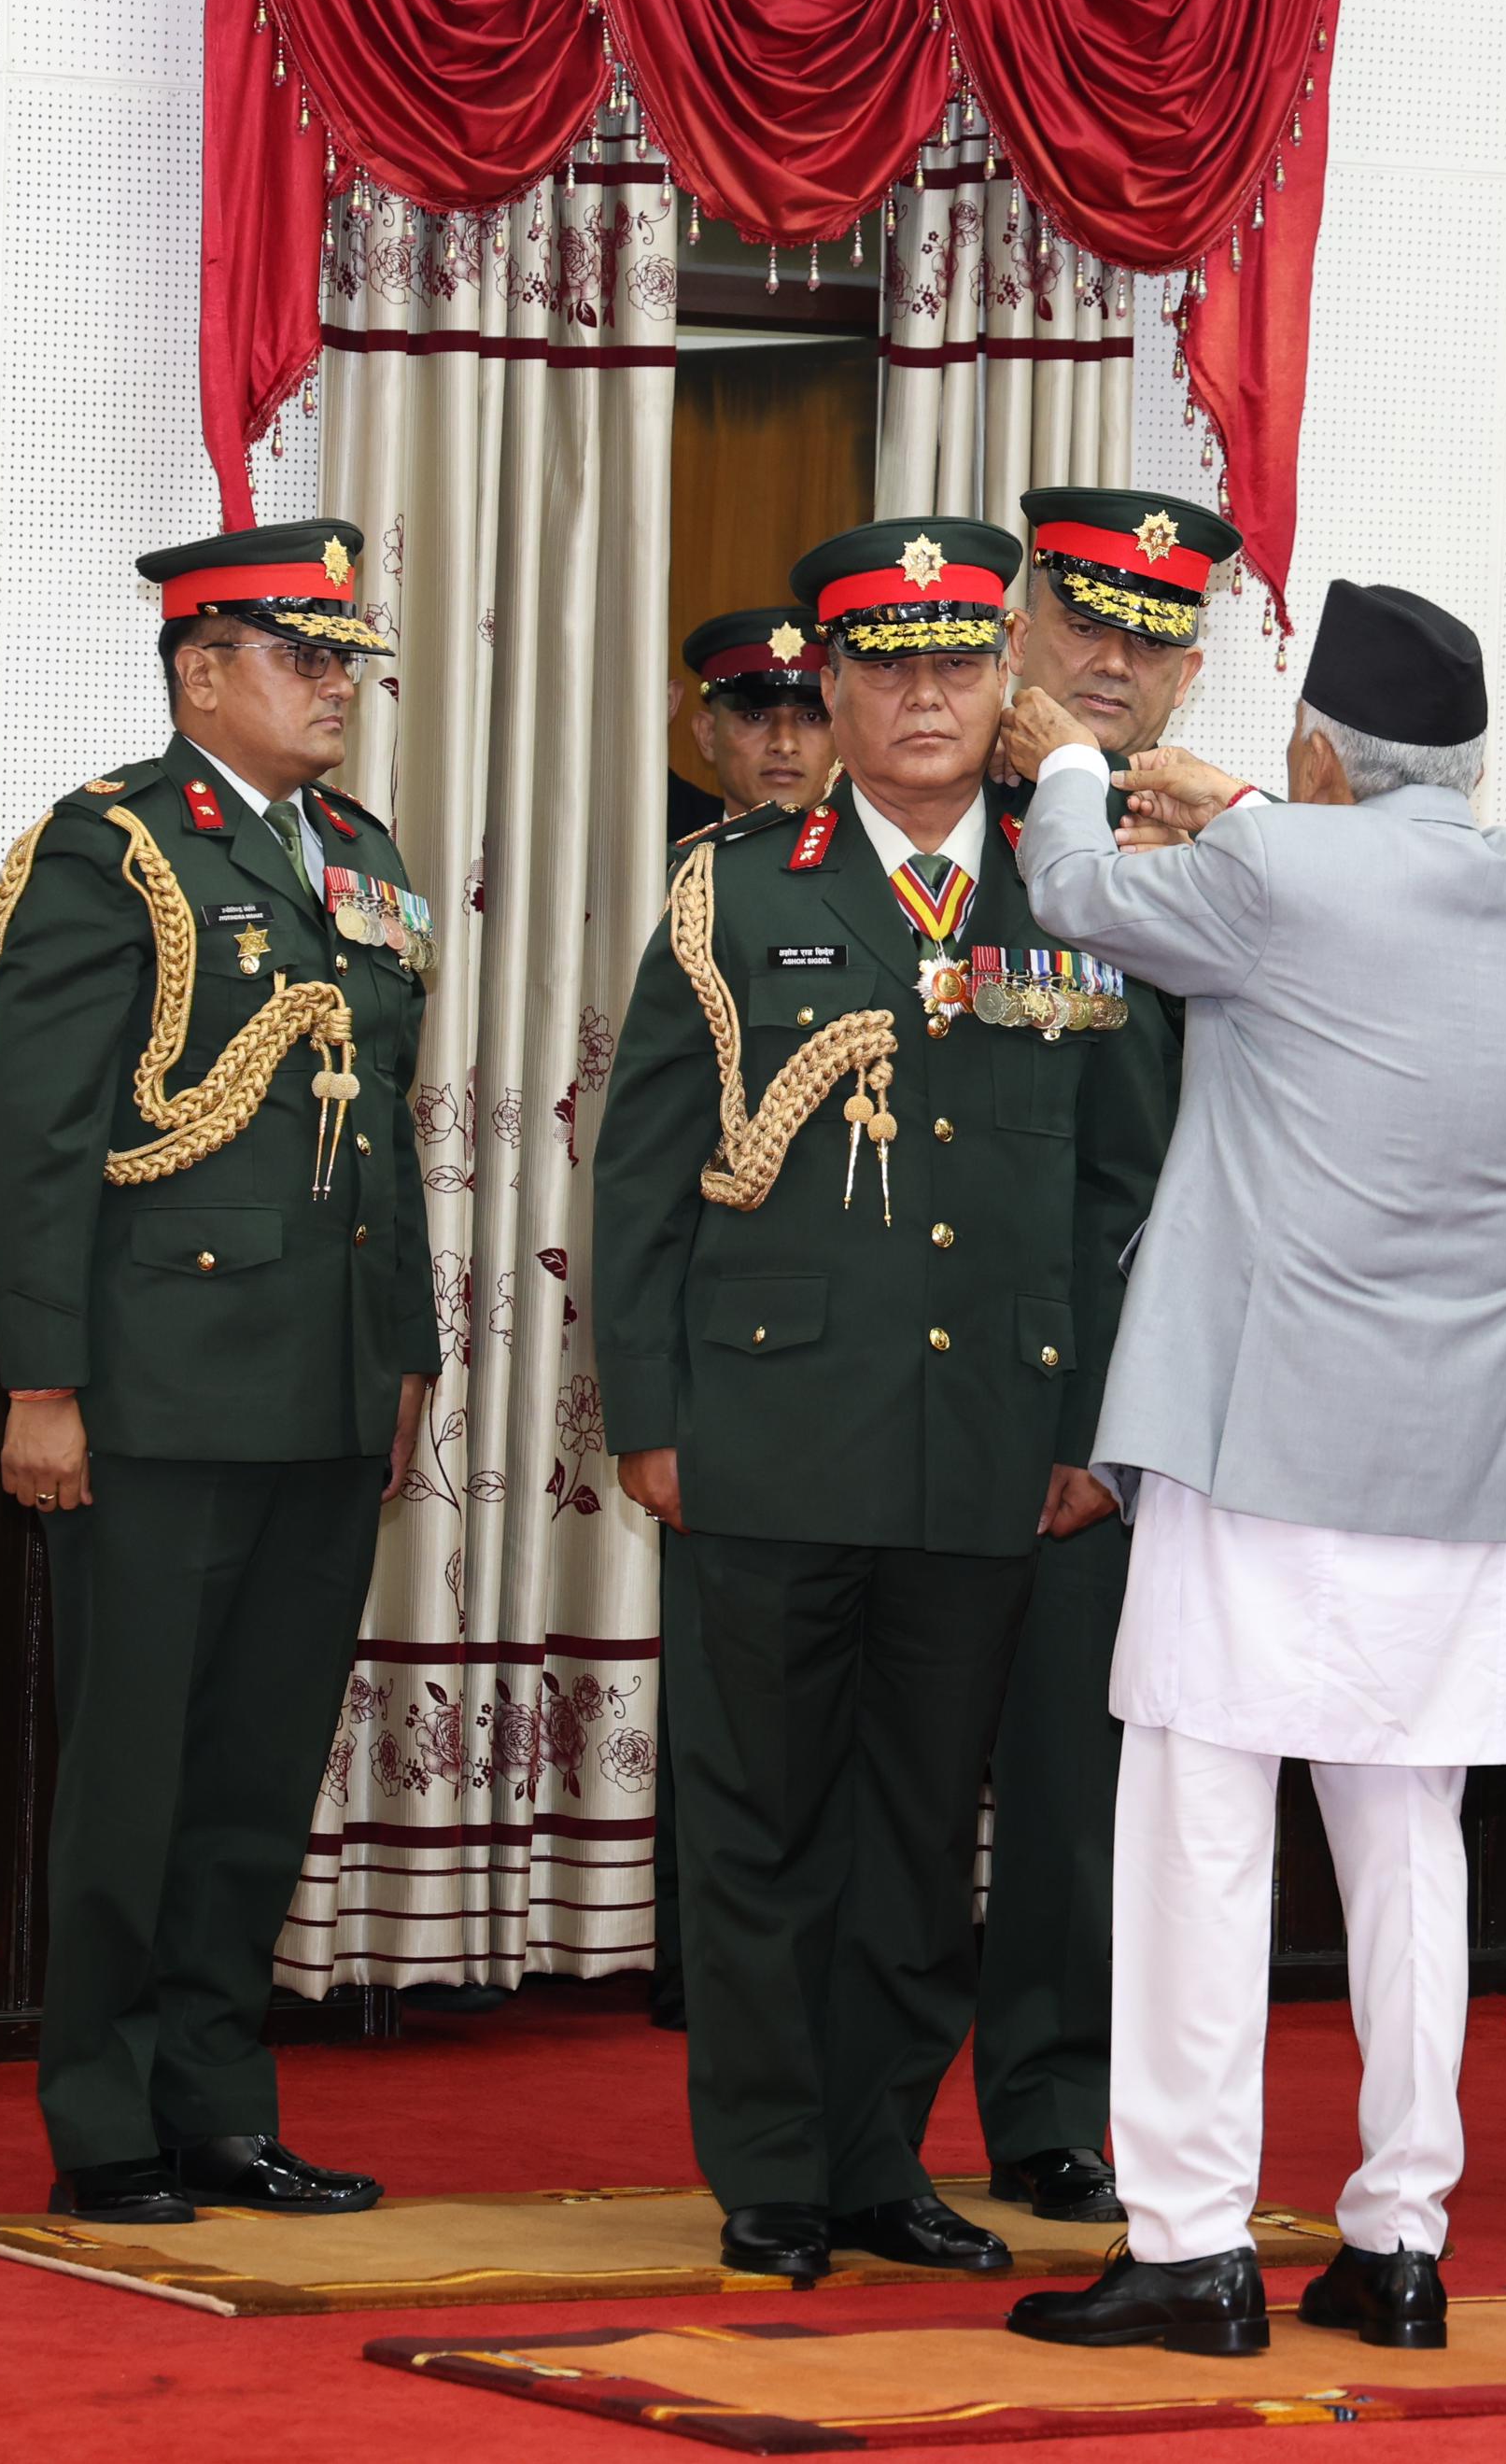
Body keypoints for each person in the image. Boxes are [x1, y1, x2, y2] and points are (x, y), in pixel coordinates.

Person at [998, 582, 1506, 2358]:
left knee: (1197, 1825)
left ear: (1318, 746)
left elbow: (1077, 895)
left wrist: (1086, 766)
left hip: (1267, 1435)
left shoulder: (1279, 871)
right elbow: (1334, 877)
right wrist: (1237, 805)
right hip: (1462, 1453)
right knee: (1410, 1844)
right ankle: (1400, 2237)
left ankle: (1187, 2241)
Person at [592, 515, 1175, 2282]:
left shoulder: (1078, 889)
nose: (921, 697)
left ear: (1005, 686)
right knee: (763, 1821)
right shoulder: (733, 887)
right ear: (830, 688)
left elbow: (1115, 1184)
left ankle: (878, 2161)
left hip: (988, 1440)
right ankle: (772, 2171)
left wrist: (1087, 1427)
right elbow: (643, 1177)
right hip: (769, 1433)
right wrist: (650, 1414)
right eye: (884, 665)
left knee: (923, 1835)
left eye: (955, 663)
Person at [0, 520, 441, 2223]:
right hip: (156, 1386)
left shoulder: (360, 857)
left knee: (257, 1771)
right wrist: (46, 1380)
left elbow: (379, 1129)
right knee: (136, 1773)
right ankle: (105, 2116)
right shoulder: (114, 852)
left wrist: (408, 1350)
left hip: (324, 1386)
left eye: (344, 661)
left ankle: (221, 2105)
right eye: (301, 656)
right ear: (200, 670)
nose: (336, 686)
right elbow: (43, 1140)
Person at [965, 487, 1245, 2227]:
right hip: (900, 1382)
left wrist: (1100, 1417)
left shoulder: (1213, 857)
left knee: (1077, 1786)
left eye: (1151, 636)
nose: (1112, 660)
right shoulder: (928, 819)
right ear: (1020, 622)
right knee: (883, 1778)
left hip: (1106, 1393)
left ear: (1194, 665)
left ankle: (1054, 2102)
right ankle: (842, 2122)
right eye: (1084, 620)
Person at [647, 604, 843, 2033]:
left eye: (804, 710)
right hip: (737, 1348)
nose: (783, 739)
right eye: (753, 713)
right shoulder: (684, 887)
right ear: (702, 730)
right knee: (735, 1696)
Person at [679, 606, 837, 822]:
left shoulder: (882, 856)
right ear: (707, 736)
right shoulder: (650, 856)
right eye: (755, 717)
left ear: (844, 734)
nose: (784, 745)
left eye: (811, 717)